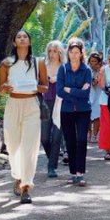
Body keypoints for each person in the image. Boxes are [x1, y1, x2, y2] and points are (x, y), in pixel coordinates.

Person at [0, 29, 47, 203]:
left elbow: (45, 86)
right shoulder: (6, 63)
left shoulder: (38, 62)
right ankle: (17, 176)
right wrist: (5, 88)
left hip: (31, 105)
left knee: (30, 146)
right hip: (13, 105)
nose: (22, 38)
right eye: (18, 37)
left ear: (30, 41)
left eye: (25, 36)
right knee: (13, 145)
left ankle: (26, 186)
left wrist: (35, 87)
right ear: (14, 42)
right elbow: (0, 88)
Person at [56, 37, 93, 186]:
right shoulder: (63, 69)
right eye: (72, 52)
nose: (74, 55)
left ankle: (80, 173)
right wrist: (77, 91)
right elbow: (59, 91)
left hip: (84, 110)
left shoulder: (87, 70)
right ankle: (72, 173)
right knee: (70, 141)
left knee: (81, 140)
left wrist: (70, 90)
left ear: (81, 53)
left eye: (77, 52)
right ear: (68, 53)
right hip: (66, 110)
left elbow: (87, 93)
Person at [41, 40, 65, 178]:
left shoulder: (64, 67)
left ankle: (51, 167)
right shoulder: (43, 66)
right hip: (45, 103)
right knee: (44, 138)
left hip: (60, 103)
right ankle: (52, 159)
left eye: (55, 51)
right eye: (50, 51)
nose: (52, 54)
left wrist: (59, 79)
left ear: (60, 52)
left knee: (56, 136)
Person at [87, 52, 105, 143]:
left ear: (98, 62)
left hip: (98, 94)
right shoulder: (87, 70)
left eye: (95, 61)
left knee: (97, 115)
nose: (93, 63)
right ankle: (89, 133)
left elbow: (95, 83)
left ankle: (94, 135)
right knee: (88, 116)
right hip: (89, 94)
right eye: (91, 61)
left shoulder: (102, 70)